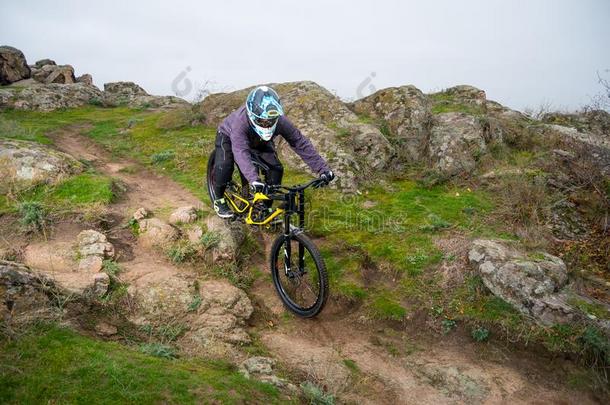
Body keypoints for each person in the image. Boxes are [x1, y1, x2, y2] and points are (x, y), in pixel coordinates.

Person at [212, 85, 334, 218]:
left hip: (260, 140)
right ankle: (219, 199)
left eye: (270, 121)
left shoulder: (281, 121)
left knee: (276, 169)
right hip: (228, 136)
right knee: (224, 165)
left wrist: (323, 169)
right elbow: (241, 152)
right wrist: (254, 180)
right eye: (262, 121)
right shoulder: (240, 123)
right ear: (252, 115)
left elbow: (300, 143)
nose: (267, 124)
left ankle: (264, 207)